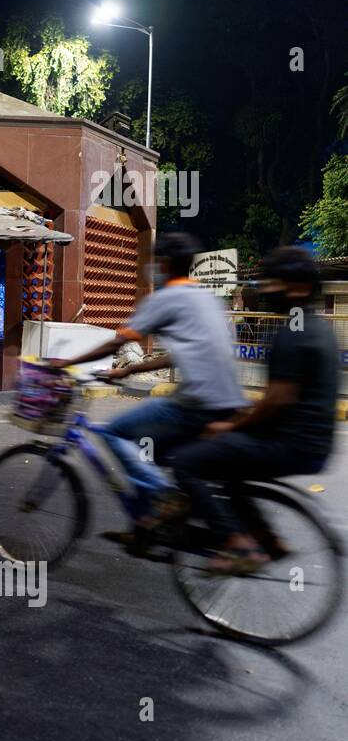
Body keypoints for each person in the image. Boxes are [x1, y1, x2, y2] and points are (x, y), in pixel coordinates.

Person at [50, 232, 249, 544]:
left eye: (155, 261)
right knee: (150, 449)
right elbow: (178, 354)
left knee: (115, 432)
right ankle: (145, 525)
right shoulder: (206, 297)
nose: (152, 267)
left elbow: (118, 341)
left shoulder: (167, 298)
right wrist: (128, 369)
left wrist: (68, 363)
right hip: (228, 401)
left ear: (165, 264)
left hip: (195, 402)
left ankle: (166, 497)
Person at [171, 247, 339, 574]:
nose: (266, 290)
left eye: (273, 283)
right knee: (230, 466)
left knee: (187, 463)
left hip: (289, 445)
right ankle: (266, 538)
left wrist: (229, 427)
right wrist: (236, 420)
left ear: (299, 287)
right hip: (311, 444)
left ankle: (236, 545)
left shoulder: (293, 332)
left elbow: (276, 400)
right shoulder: (317, 328)